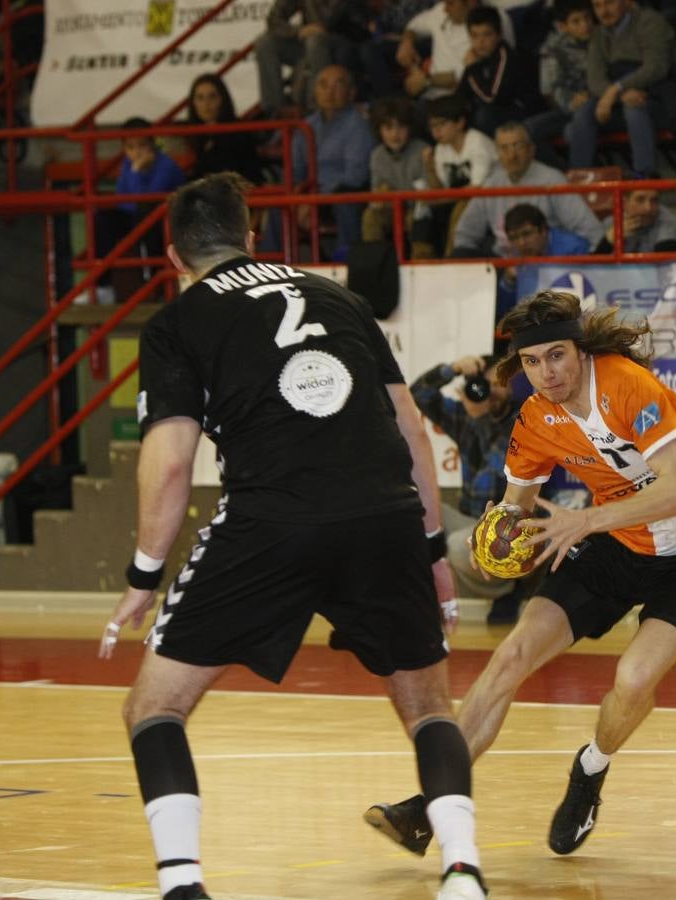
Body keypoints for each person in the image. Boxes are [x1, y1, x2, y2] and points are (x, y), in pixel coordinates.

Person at [97, 173, 486, 900]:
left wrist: (144, 575)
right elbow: (412, 435)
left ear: (174, 255)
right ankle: (462, 870)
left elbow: (173, 461)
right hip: (385, 518)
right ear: (251, 239)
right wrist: (433, 552)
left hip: (272, 521)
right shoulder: (342, 299)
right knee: (431, 709)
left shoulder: (177, 322)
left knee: (154, 708)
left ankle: (183, 888)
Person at [363, 288, 676, 858]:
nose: (546, 373)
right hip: (614, 545)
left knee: (635, 679)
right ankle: (429, 807)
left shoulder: (626, 384)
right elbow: (516, 504)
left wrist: (586, 520)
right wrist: (498, 537)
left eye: (557, 356)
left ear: (582, 351)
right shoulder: (535, 418)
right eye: (531, 362)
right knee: (511, 656)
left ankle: (590, 771)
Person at [409, 349, 535, 624]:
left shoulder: (523, 420)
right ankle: (422, 593)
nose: (492, 391)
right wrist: (453, 369)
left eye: (499, 384)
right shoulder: (466, 417)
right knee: (411, 507)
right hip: (468, 518)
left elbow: (494, 469)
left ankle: (509, 588)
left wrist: (479, 419)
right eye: (486, 384)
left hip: (506, 527)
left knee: (456, 545)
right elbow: (417, 395)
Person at [570, 0, 676, 177]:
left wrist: (616, 89)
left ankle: (645, 177)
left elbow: (656, 67)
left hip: (662, 100)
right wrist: (621, 94)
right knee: (585, 111)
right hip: (621, 100)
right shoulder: (598, 34)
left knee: (634, 108)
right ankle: (579, 181)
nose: (603, 12)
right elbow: (595, 80)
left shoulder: (650, 22)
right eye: (597, 6)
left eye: (609, 3)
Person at [451, 121, 606, 256]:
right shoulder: (492, 183)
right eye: (504, 148)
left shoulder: (552, 179)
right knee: (460, 255)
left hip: (544, 261)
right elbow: (465, 234)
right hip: (505, 264)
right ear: (497, 154)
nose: (512, 155)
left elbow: (589, 229)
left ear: (531, 149)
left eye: (518, 146)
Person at [93, 117, 187, 304]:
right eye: (130, 147)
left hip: (167, 220)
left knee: (146, 214)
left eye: (142, 145)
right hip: (140, 216)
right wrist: (136, 171)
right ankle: (103, 287)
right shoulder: (129, 165)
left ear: (153, 144)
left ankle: (157, 287)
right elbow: (123, 199)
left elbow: (147, 198)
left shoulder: (166, 165)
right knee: (102, 220)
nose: (137, 152)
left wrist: (137, 172)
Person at [290, 64, 375, 256]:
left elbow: (355, 177)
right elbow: (296, 173)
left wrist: (315, 200)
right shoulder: (305, 126)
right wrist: (301, 199)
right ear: (315, 91)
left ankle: (347, 260)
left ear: (351, 92)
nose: (330, 91)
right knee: (280, 210)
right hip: (311, 197)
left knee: (345, 201)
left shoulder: (359, 125)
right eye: (323, 85)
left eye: (338, 85)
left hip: (341, 194)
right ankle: (270, 268)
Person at [414, 94, 499, 257]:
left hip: (489, 201)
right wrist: (430, 169)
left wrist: (442, 198)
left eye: (442, 124)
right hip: (457, 199)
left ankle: (452, 260)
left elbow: (476, 189)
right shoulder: (441, 149)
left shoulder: (477, 143)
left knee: (462, 207)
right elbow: (438, 189)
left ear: (460, 122)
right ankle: (421, 260)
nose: (436, 131)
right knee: (421, 209)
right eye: (432, 126)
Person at [253, 0, 369, 117]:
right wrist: (298, 31)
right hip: (309, 42)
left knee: (315, 41)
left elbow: (338, 19)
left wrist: (315, 30)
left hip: (343, 39)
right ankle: (275, 107)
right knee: (265, 43)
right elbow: (273, 20)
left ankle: (316, 105)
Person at [398, 0, 516, 102]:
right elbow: (415, 25)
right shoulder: (440, 12)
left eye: (451, 3)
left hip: (462, 96)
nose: (445, 9)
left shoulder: (490, 21)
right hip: (429, 91)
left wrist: (427, 80)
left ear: (471, 2)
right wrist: (406, 43)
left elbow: (472, 73)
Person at [458, 5, 542, 136]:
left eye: (487, 34)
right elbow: (461, 95)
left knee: (482, 115)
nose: (480, 42)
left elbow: (492, 97)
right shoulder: (476, 57)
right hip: (495, 109)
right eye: (474, 36)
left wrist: (472, 68)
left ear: (499, 35)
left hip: (522, 112)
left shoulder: (505, 56)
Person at [527, 0, 595, 158]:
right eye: (576, 21)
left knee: (572, 131)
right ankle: (561, 174)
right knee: (527, 130)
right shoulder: (552, 49)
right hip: (566, 108)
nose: (585, 25)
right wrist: (571, 102)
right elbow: (550, 90)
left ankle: (580, 176)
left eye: (587, 18)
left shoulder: (603, 39)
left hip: (597, 105)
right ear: (562, 26)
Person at [499, 203, 592, 315]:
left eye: (526, 234)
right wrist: (508, 282)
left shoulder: (574, 248)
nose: (521, 243)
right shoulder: (515, 254)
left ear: (543, 230)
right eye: (514, 237)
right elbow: (504, 312)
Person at [362, 96, 428, 244]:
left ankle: (420, 260)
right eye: (388, 128)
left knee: (416, 218)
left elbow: (426, 196)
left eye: (401, 127)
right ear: (379, 130)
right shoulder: (376, 155)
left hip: (418, 209)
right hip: (391, 208)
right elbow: (377, 194)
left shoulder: (423, 150)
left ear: (410, 128)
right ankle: (375, 260)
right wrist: (381, 196)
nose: (394, 134)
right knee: (371, 216)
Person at [186, 73, 264, 185]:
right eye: (200, 98)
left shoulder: (239, 132)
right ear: (193, 103)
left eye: (212, 96)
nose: (206, 104)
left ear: (223, 99)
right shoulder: (192, 135)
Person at [604, 187, 676, 252]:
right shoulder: (611, 223)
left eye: (654, 200)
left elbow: (666, 266)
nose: (648, 208)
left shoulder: (670, 223)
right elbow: (594, 270)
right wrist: (607, 243)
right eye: (640, 200)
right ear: (624, 203)